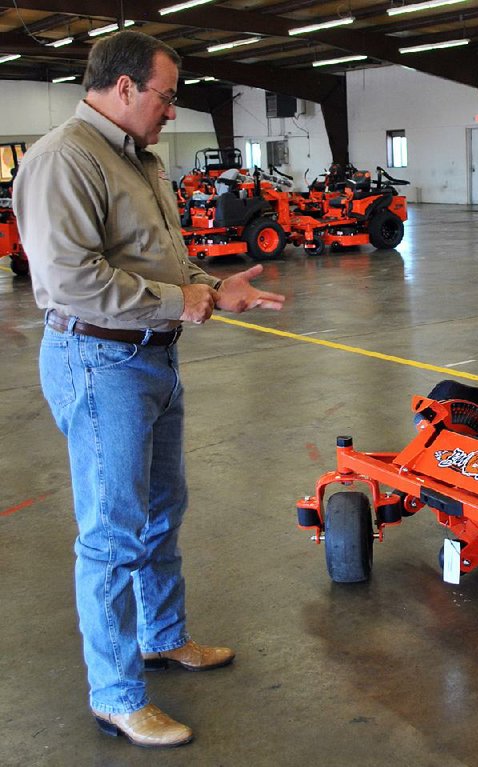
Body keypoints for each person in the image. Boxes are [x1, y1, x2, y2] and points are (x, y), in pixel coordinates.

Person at [13, 31, 285, 748]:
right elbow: (71, 280)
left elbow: (168, 258)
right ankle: (115, 692)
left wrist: (212, 289)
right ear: (126, 87)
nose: (172, 110)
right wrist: (179, 302)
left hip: (151, 359)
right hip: (100, 361)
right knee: (111, 533)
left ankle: (163, 636)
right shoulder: (64, 159)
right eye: (166, 95)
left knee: (163, 508)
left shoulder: (144, 160)